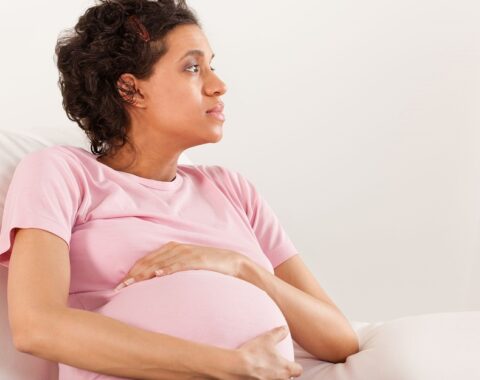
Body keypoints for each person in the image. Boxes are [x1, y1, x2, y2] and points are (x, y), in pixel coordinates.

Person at [0, 0, 359, 379]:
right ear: (130, 89)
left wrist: (242, 268)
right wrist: (227, 366)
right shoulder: (61, 173)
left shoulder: (233, 190)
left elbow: (339, 340)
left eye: (211, 66)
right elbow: (36, 327)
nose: (218, 86)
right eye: (192, 67)